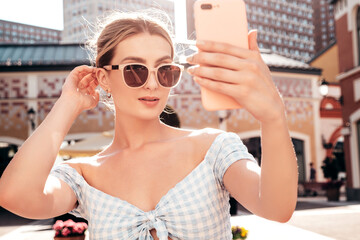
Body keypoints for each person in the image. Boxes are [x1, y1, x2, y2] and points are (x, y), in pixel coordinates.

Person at [0, 10, 298, 240]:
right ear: (104, 78)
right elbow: (15, 195)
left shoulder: (213, 148)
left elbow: (276, 208)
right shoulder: (84, 174)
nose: (153, 83)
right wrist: (68, 105)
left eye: (165, 70)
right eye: (135, 70)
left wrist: (273, 117)